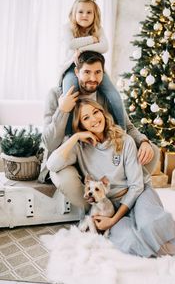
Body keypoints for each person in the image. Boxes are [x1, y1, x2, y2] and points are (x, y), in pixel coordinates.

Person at [46, 97, 175, 259]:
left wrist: (113, 221)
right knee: (130, 241)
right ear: (80, 125)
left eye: (96, 112)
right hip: (109, 205)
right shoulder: (78, 147)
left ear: (103, 113)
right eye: (86, 118)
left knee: (149, 225)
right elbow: (52, 165)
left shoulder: (124, 140)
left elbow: (136, 186)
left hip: (139, 195)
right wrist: (75, 137)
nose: (94, 119)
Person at [40, 51, 160, 211]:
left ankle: (126, 197)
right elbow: (49, 143)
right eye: (87, 72)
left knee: (152, 151)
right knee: (65, 179)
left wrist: (144, 142)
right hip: (68, 153)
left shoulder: (108, 97)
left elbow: (128, 127)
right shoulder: (56, 95)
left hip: (98, 154)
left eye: (98, 72)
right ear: (77, 72)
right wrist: (63, 110)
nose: (92, 78)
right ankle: (96, 212)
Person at [60, 0, 125, 132]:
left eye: (89, 12)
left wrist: (82, 48)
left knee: (114, 95)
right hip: (72, 68)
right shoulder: (67, 28)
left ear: (94, 15)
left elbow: (104, 47)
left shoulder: (98, 29)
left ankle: (122, 130)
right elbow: (71, 44)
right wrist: (92, 39)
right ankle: (68, 134)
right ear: (74, 14)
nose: (85, 15)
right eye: (81, 12)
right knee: (69, 95)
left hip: (94, 69)